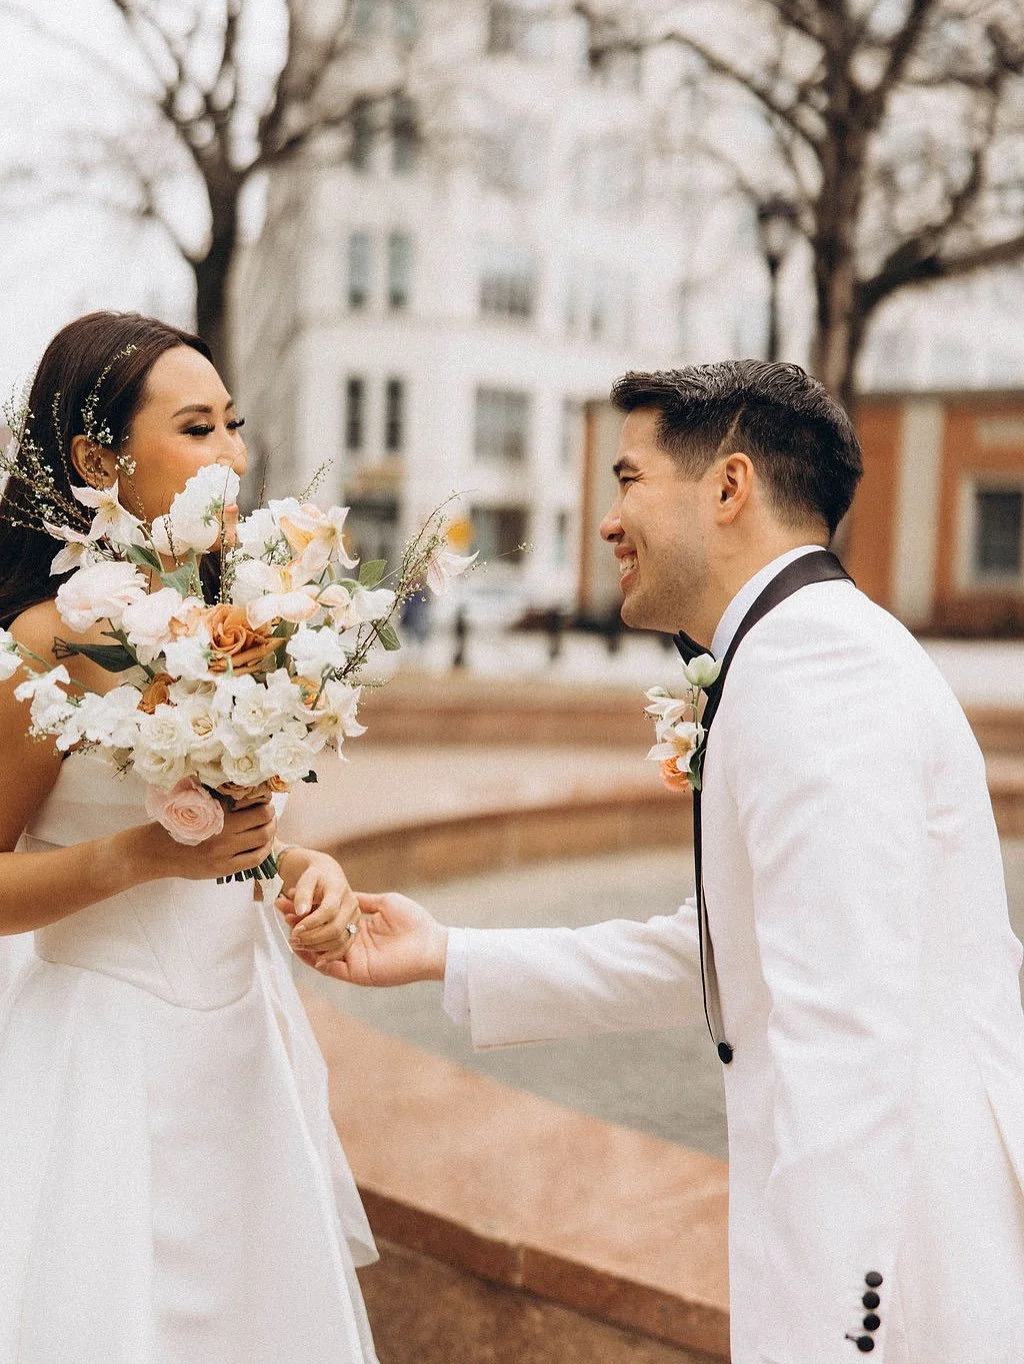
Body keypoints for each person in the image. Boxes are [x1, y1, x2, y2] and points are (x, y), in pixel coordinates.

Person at [311, 361, 1024, 1363]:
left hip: (899, 1272)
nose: (608, 518)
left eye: (628, 478)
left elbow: (843, 1031)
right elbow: (720, 951)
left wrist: (836, 1333)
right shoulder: (795, 650)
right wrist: (449, 952)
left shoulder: (814, 670)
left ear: (728, 487)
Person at [0, 312, 379, 1364]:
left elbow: (226, 838)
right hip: (104, 1063)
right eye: (198, 427)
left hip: (240, 1049)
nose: (234, 455)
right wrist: (138, 859)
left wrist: (299, 863)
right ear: (95, 460)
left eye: (234, 425)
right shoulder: (46, 639)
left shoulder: (245, 615)